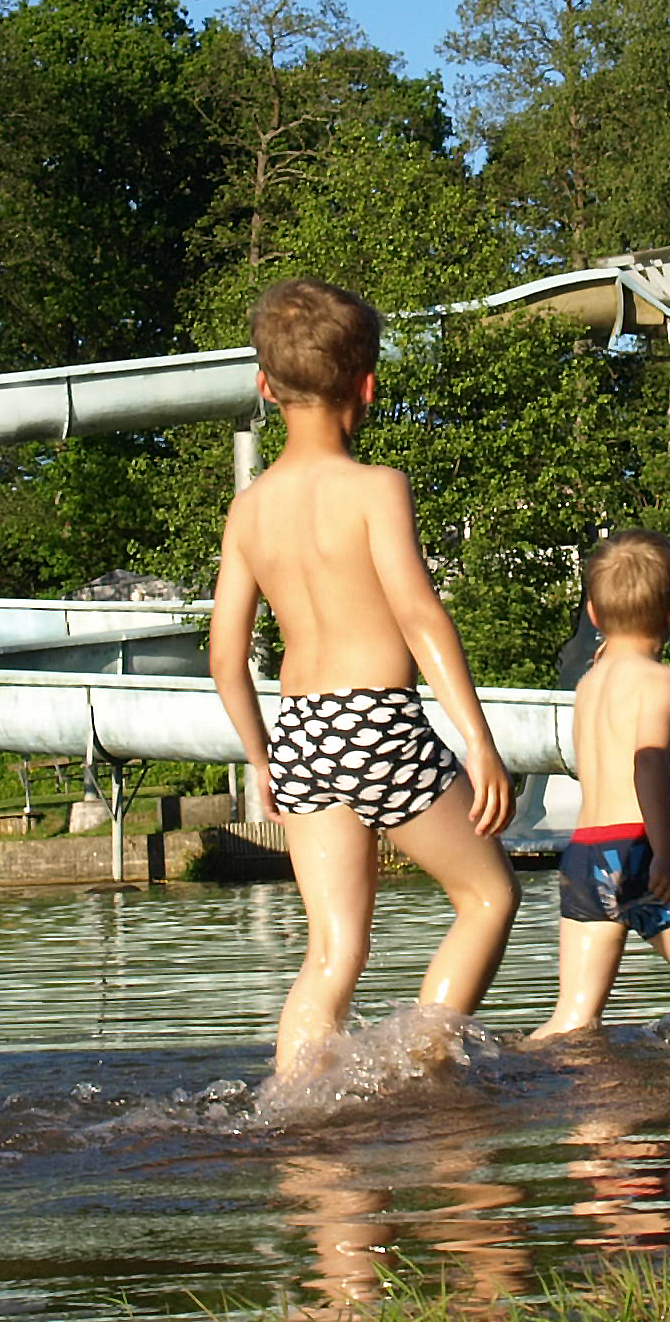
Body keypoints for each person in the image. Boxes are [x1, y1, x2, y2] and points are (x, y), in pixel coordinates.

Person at [209, 280, 517, 1086]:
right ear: (368, 387)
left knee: (334, 950)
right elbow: (419, 615)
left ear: (264, 386)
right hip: (378, 721)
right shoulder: (377, 488)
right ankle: (423, 1066)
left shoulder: (250, 511)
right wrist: (478, 743)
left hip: (300, 731)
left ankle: (294, 1112)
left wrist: (260, 755)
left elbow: (224, 657)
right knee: (488, 898)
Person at [533, 530, 670, 1044]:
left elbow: (620, 772)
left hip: (585, 855)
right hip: (638, 850)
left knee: (574, 1019)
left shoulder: (590, 685)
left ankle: (540, 1095)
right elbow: (647, 764)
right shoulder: (662, 680)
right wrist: (666, 855)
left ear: (592, 613)